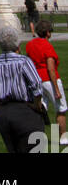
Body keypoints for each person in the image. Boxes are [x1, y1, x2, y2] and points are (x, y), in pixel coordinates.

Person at [0, 25, 48, 153]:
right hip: (24, 111)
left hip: (4, 114)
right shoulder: (24, 61)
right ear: (17, 43)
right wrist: (37, 105)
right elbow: (36, 84)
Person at [26, 17, 68, 147]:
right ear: (48, 33)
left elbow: (28, 62)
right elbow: (51, 69)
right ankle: (62, 137)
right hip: (48, 80)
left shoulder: (30, 44)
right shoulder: (47, 45)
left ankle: (36, 136)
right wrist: (56, 89)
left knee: (40, 108)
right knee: (61, 109)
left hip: (36, 80)